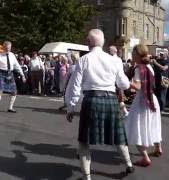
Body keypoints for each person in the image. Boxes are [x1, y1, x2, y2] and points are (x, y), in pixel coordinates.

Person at [66, 29, 134, 180]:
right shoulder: (113, 60)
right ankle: (129, 164)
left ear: (89, 42)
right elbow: (124, 84)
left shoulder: (83, 60)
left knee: (84, 142)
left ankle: (87, 177)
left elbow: (75, 87)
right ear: (102, 42)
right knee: (118, 136)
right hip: (111, 100)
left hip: (91, 101)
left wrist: (71, 107)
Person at [124, 44, 162, 167]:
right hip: (152, 98)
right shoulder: (149, 67)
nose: (132, 55)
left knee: (136, 127)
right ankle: (158, 148)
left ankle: (145, 158)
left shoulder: (138, 68)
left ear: (138, 55)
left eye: (133, 53)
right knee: (153, 124)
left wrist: (127, 83)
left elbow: (138, 86)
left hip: (142, 101)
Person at [0, 41, 26, 117]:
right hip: (1, 73)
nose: (8, 49)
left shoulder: (12, 55)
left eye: (9, 48)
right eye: (6, 48)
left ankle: (10, 107)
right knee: (0, 90)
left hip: (10, 74)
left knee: (14, 91)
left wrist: (22, 75)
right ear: (3, 48)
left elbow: (17, 65)